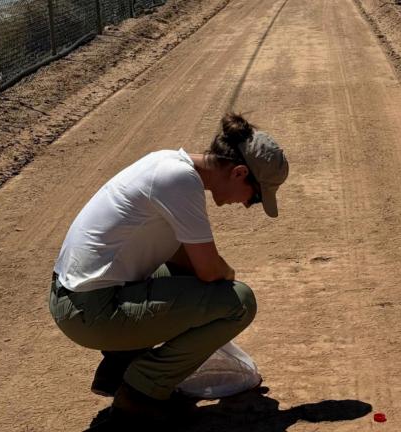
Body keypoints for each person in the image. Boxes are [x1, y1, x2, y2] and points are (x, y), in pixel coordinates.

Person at [48, 112, 289, 422]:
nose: (246, 205)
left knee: (193, 282)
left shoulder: (167, 163)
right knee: (239, 303)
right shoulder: (181, 182)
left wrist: (215, 276)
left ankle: (119, 367)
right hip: (89, 311)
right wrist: (225, 276)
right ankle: (139, 393)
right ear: (240, 173)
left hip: (76, 297)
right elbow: (209, 271)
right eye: (255, 198)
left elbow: (182, 258)